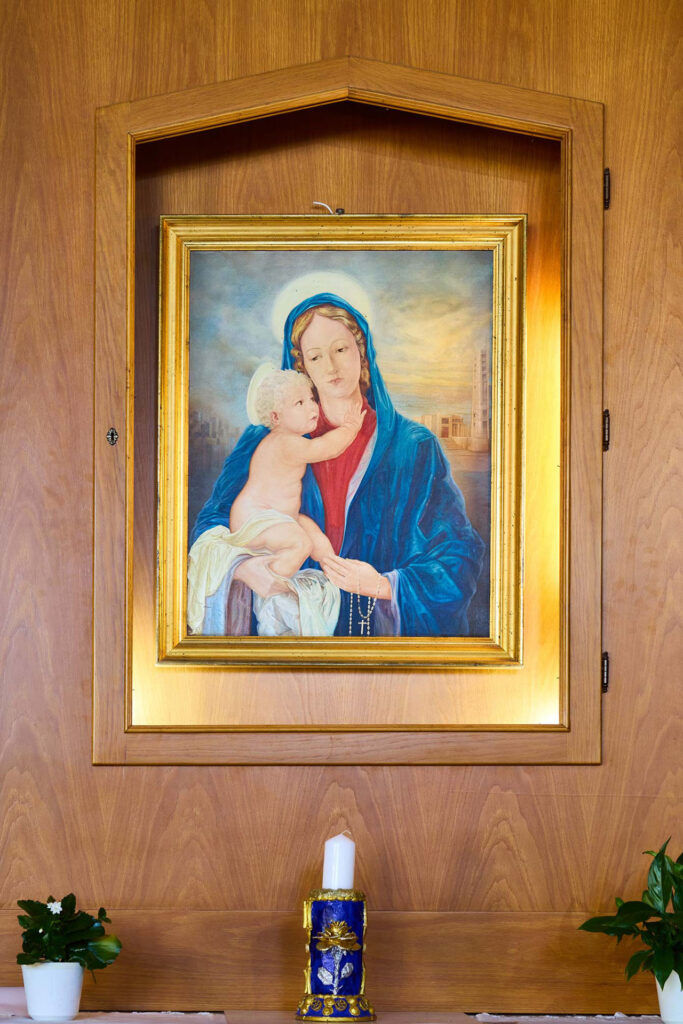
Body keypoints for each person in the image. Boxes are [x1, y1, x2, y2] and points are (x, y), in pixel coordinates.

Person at [189, 292, 485, 637]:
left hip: (370, 629)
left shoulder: (413, 446)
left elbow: (457, 553)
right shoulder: (266, 438)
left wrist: (383, 585)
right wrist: (243, 568)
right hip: (286, 632)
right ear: (302, 367)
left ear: (362, 351)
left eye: (341, 349)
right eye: (316, 356)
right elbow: (214, 521)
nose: (331, 367)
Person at [187, 366, 364, 637]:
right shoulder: (286, 442)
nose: (312, 407)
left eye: (311, 399)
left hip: (280, 516)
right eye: (300, 403)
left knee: (316, 539)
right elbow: (325, 448)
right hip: (256, 517)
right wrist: (351, 428)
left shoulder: (290, 439)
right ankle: (273, 584)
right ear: (276, 417)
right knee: (300, 543)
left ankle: (333, 569)